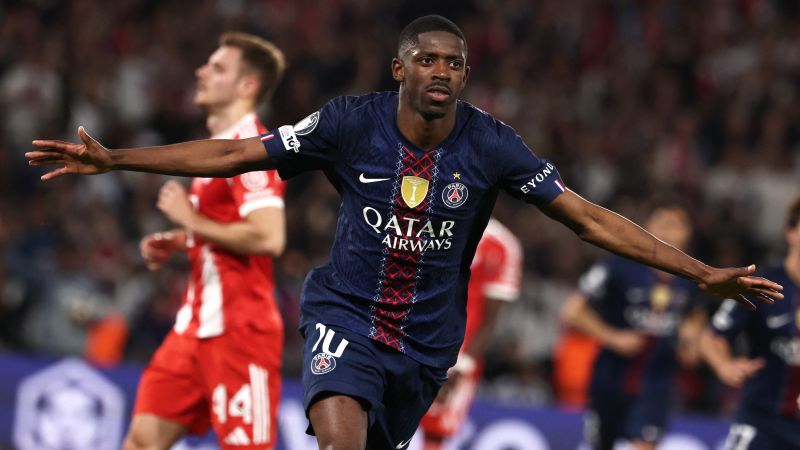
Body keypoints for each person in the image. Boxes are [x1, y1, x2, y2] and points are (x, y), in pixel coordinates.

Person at [27, 15, 783, 450]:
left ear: (465, 75)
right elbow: (236, 153)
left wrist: (699, 272)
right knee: (339, 438)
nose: (441, 71)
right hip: (345, 315)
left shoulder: (492, 145)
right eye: (427, 60)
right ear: (400, 69)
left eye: (454, 62)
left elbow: (586, 217)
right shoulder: (348, 123)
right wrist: (118, 159)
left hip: (425, 345)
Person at [121, 32, 287, 450]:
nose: (201, 72)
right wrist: (185, 238)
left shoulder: (253, 151)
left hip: (240, 332)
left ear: (247, 85)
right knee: (142, 442)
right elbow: (231, 227)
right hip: (193, 326)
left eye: (217, 67)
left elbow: (269, 236)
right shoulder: (215, 151)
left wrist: (190, 219)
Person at [561, 201, 706, 450]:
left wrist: (691, 343)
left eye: (677, 226)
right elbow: (572, 311)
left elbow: (694, 317)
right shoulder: (618, 266)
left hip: (657, 383)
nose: (670, 233)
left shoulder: (693, 278)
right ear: (647, 226)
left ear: (688, 233)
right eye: (663, 224)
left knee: (644, 444)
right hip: (610, 378)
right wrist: (612, 337)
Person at [701, 196, 800, 450]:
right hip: (760, 421)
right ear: (790, 232)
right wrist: (724, 365)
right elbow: (713, 336)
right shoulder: (763, 284)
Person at [419, 217, 522, 449]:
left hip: (457, 354)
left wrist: (463, 364)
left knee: (436, 433)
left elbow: (490, 319)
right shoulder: (432, 223)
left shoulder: (503, 245)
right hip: (412, 340)